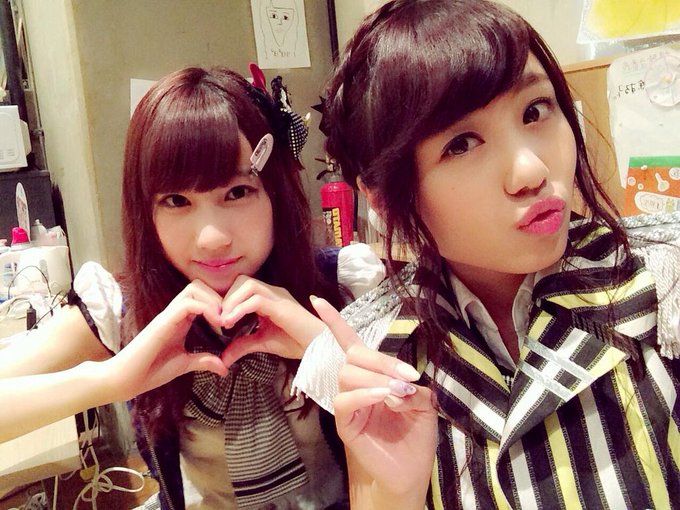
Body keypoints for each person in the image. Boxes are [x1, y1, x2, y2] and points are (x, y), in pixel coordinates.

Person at [287, 1, 680, 509]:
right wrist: (394, 493)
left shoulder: (664, 286)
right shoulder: (377, 356)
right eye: (462, 143)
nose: (531, 171)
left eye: (535, 111)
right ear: (383, 200)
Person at [0, 66, 385, 509]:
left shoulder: (345, 286)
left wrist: (327, 353)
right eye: (176, 201)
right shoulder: (123, 309)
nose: (211, 238)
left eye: (238, 192)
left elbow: (427, 434)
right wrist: (111, 379)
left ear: (275, 192)